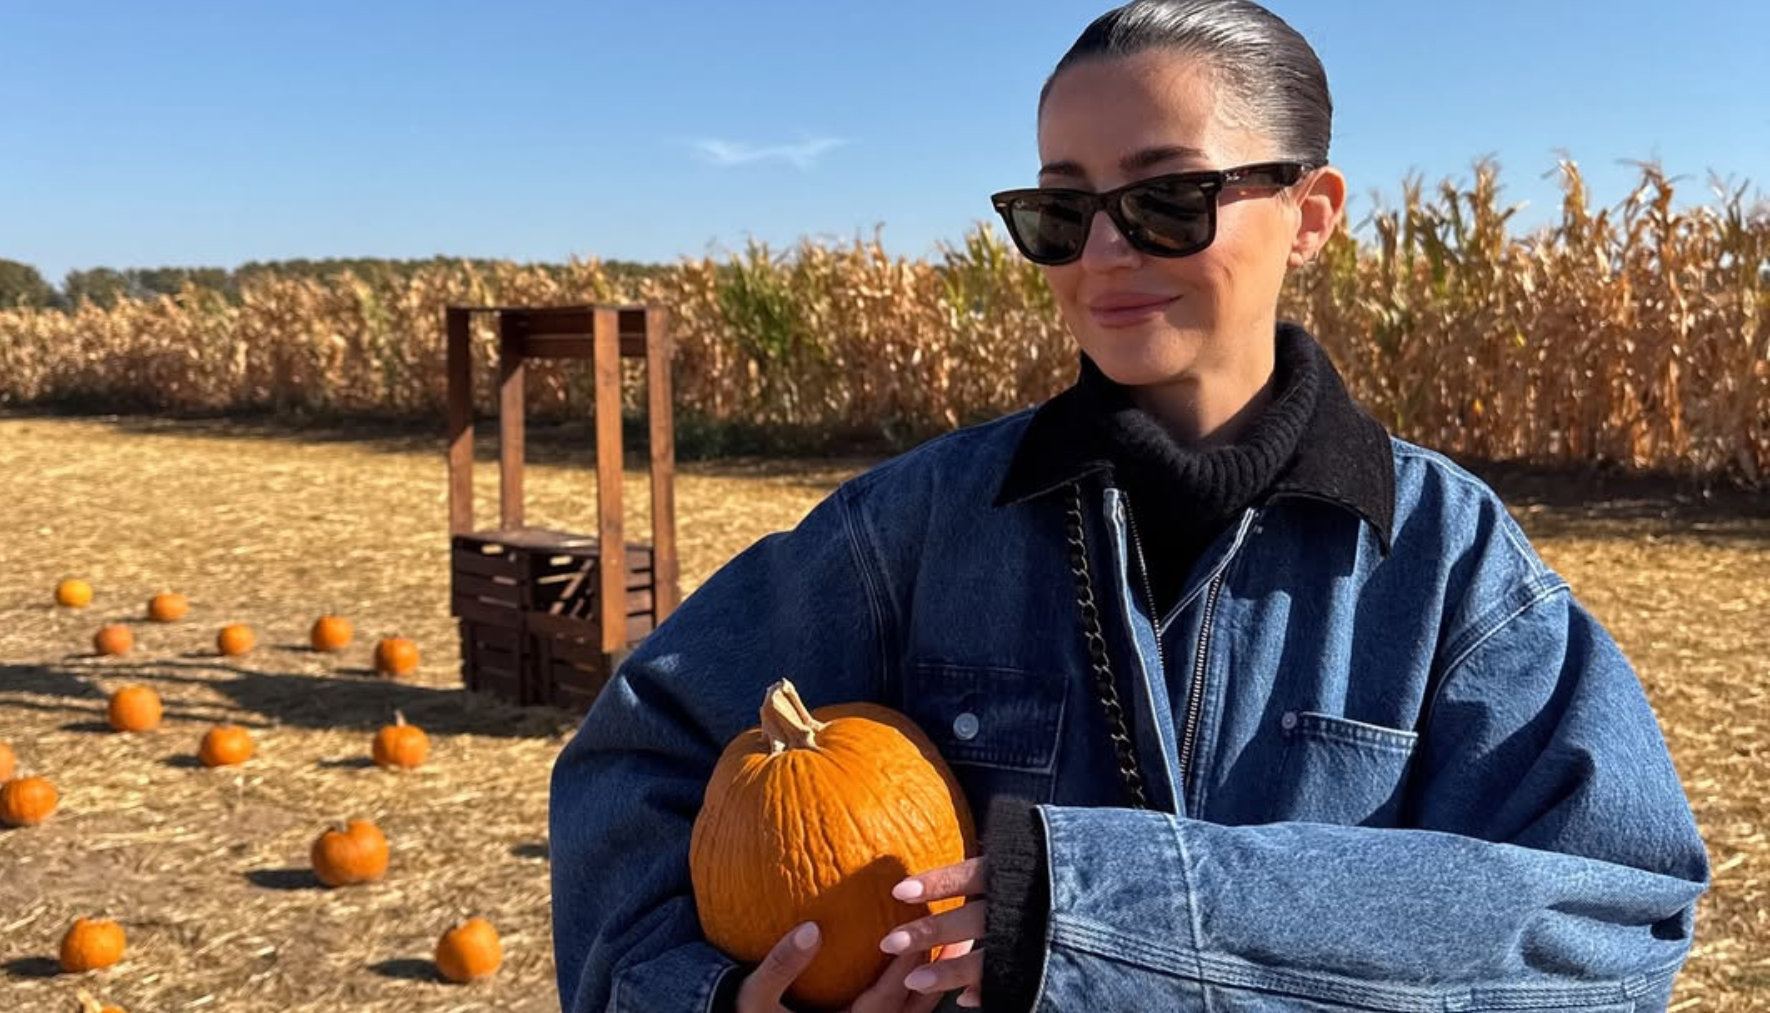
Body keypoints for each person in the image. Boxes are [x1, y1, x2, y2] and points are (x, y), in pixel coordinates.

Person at [547, 1, 1711, 1010]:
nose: (1104, 251)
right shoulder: (917, 527)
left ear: (1310, 212)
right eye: (1060, 212)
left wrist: (1088, 909)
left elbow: (1611, 927)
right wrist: (703, 995)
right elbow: (634, 763)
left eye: (1167, 199)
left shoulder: (1446, 561)